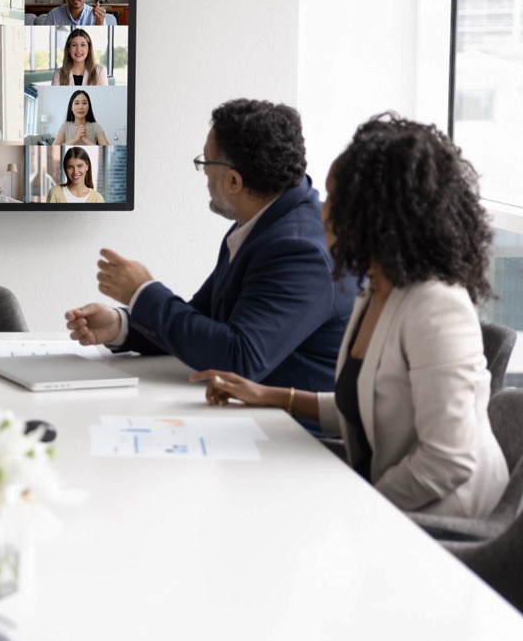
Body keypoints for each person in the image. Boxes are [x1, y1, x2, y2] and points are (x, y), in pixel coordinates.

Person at [191, 116, 508, 517]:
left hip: (443, 522)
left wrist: (358, 506)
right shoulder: (376, 286)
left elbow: (448, 462)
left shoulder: (437, 307)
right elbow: (368, 406)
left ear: (378, 213)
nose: (322, 210)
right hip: (389, 500)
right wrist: (270, 396)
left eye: (337, 200)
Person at [66, 98, 358, 398]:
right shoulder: (264, 222)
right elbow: (204, 324)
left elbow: (239, 358)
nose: (204, 175)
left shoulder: (299, 249)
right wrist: (121, 325)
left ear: (233, 180)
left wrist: (142, 292)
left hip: (298, 435)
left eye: (205, 163)